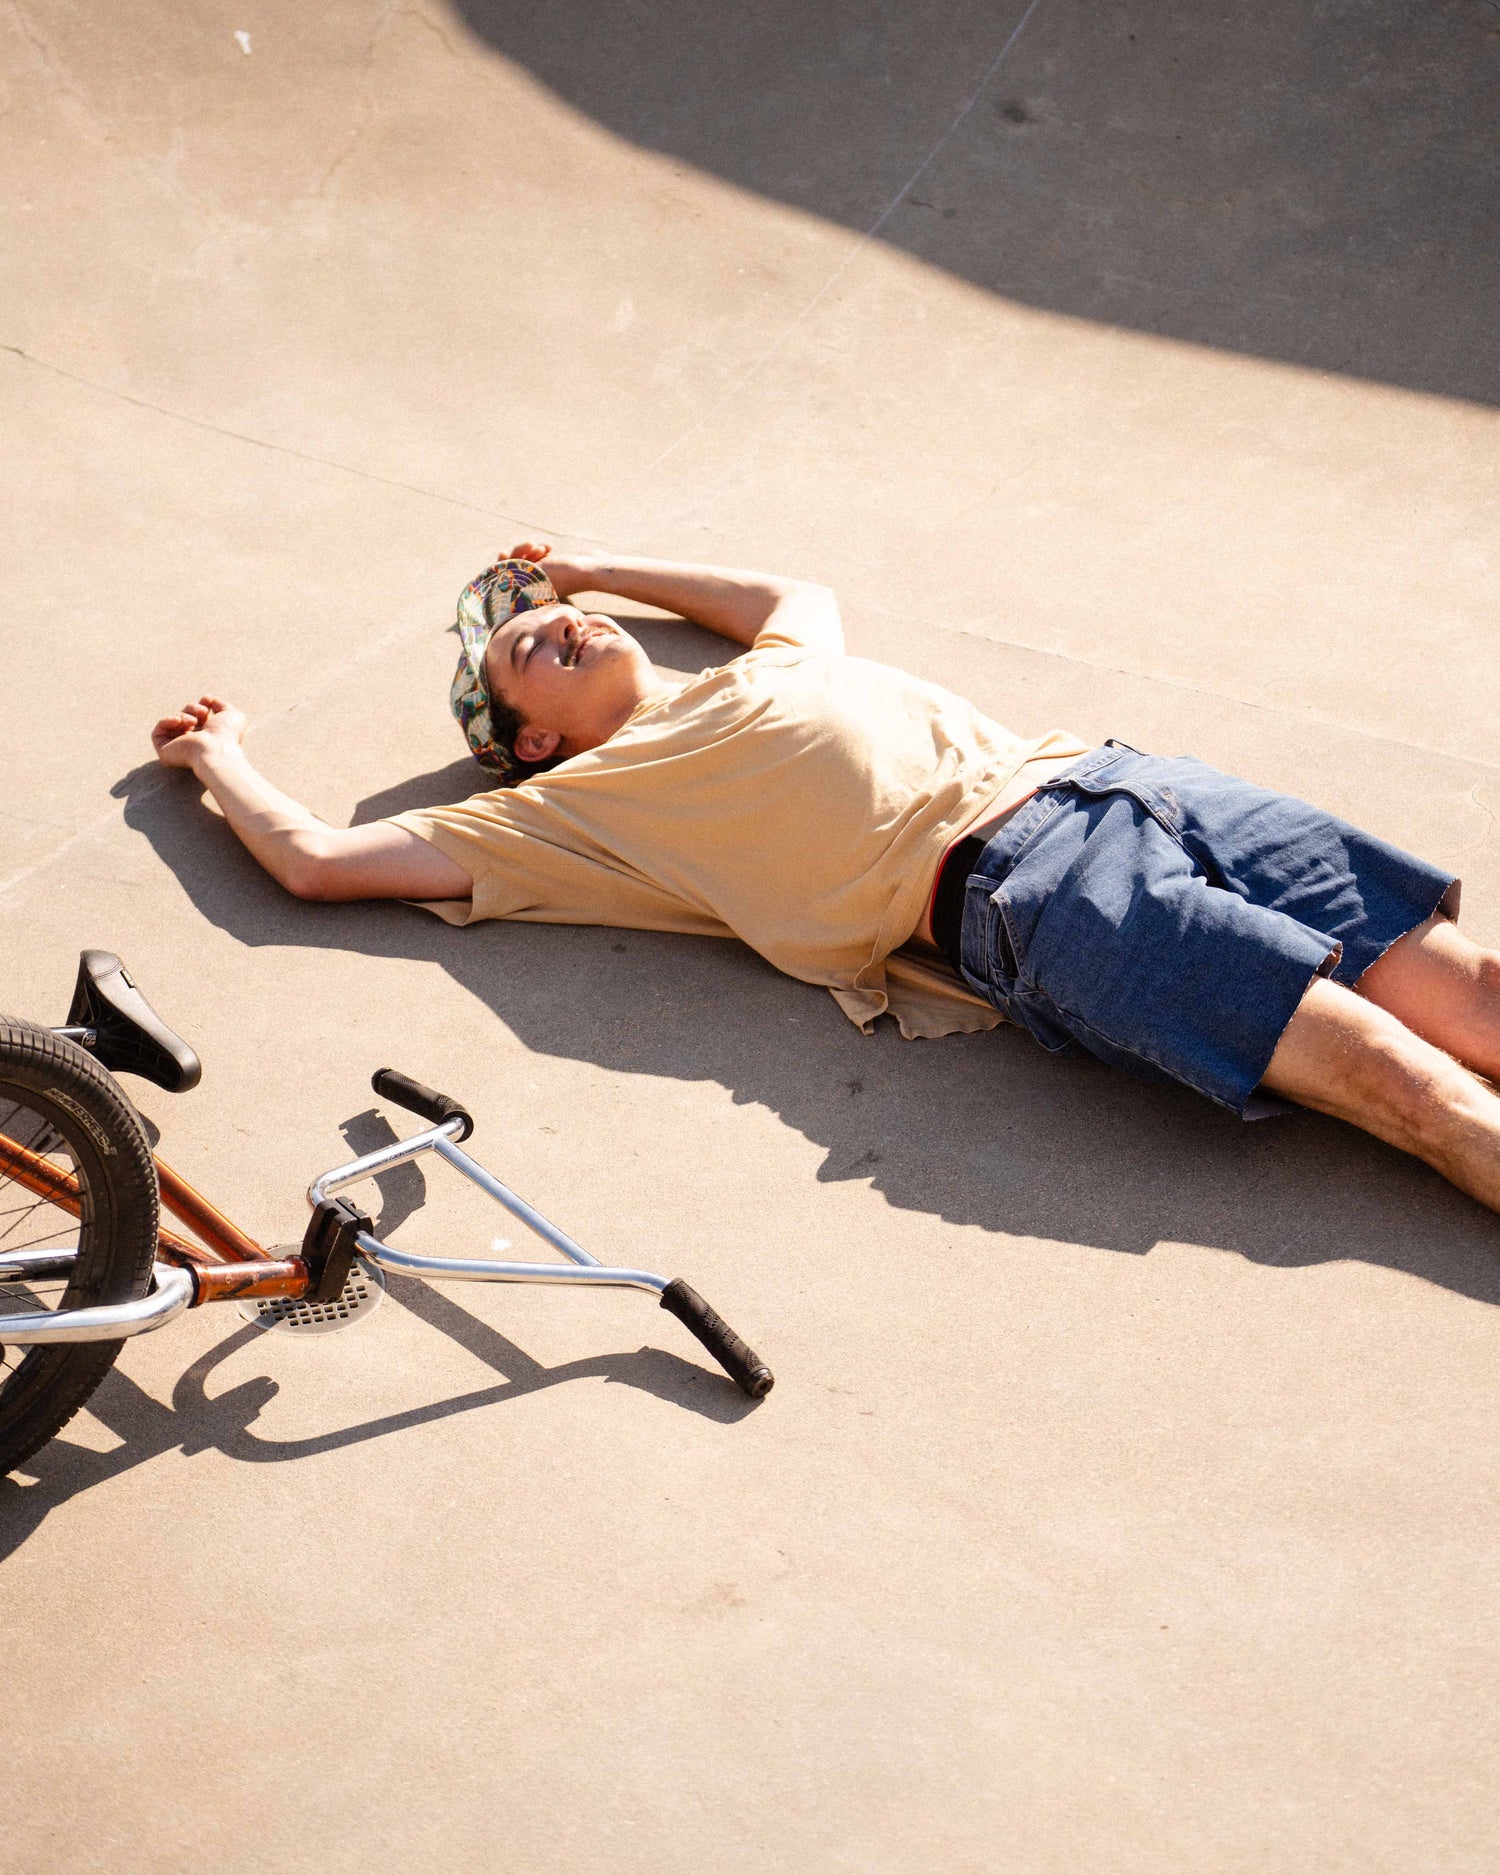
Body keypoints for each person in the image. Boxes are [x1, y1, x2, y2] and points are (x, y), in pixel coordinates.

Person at [152, 544, 1500, 1214]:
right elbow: (319, 862)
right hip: (1036, 892)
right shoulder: (574, 812)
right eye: (525, 654)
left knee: (1480, 999)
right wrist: (225, 762)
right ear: (532, 743)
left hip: (1133, 783)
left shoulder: (771, 667)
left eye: (560, 618)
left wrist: (592, 562)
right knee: (1410, 1088)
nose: (555, 626)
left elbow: (783, 591)